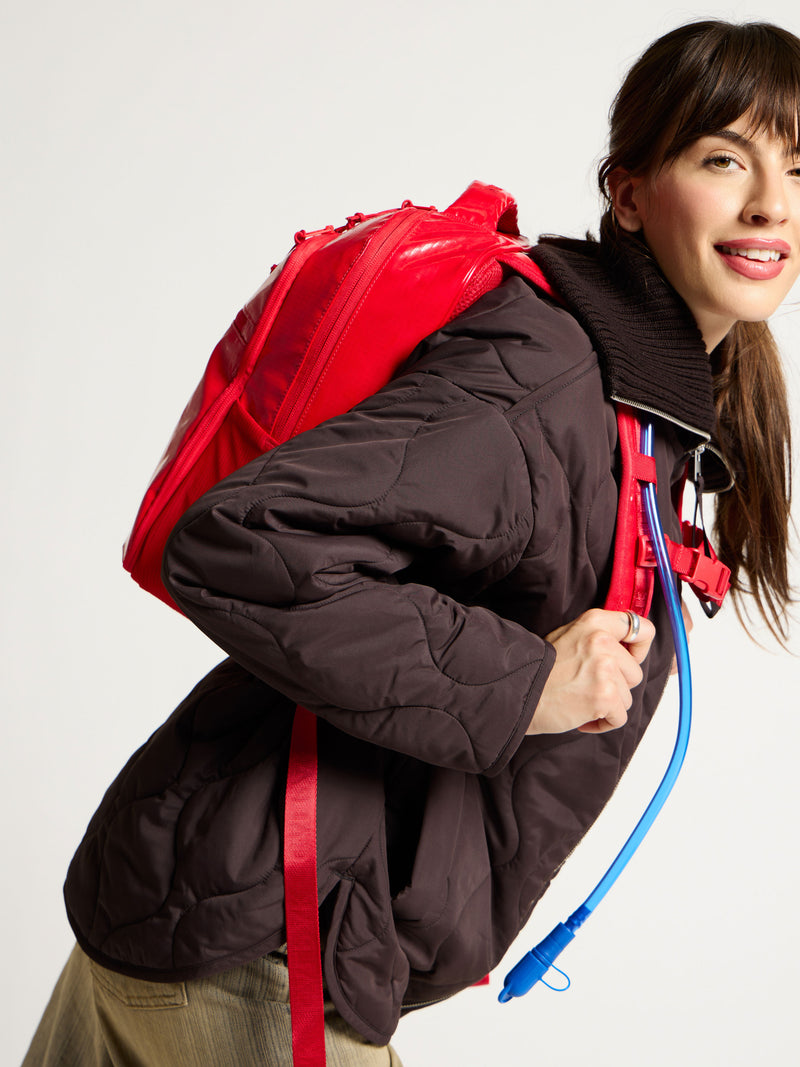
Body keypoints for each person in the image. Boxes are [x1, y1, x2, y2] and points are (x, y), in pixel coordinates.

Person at [24, 18, 797, 1067]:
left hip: (208, 914)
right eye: (722, 159)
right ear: (627, 191)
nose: (767, 202)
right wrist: (526, 680)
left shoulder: (640, 398)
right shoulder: (546, 371)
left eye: (795, 167)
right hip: (264, 945)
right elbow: (242, 538)